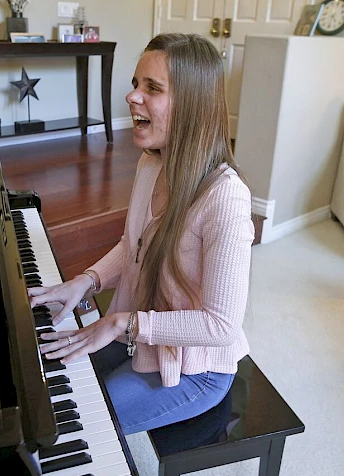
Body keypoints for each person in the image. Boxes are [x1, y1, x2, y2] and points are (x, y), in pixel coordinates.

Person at [29, 33, 254, 435]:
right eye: (136, 84)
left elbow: (221, 326)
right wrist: (87, 281)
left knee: (74, 422)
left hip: (193, 369)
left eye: (152, 88)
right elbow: (132, 246)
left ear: (192, 104)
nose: (133, 97)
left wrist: (121, 324)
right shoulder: (151, 164)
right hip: (141, 334)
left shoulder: (226, 199)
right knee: (41, 378)